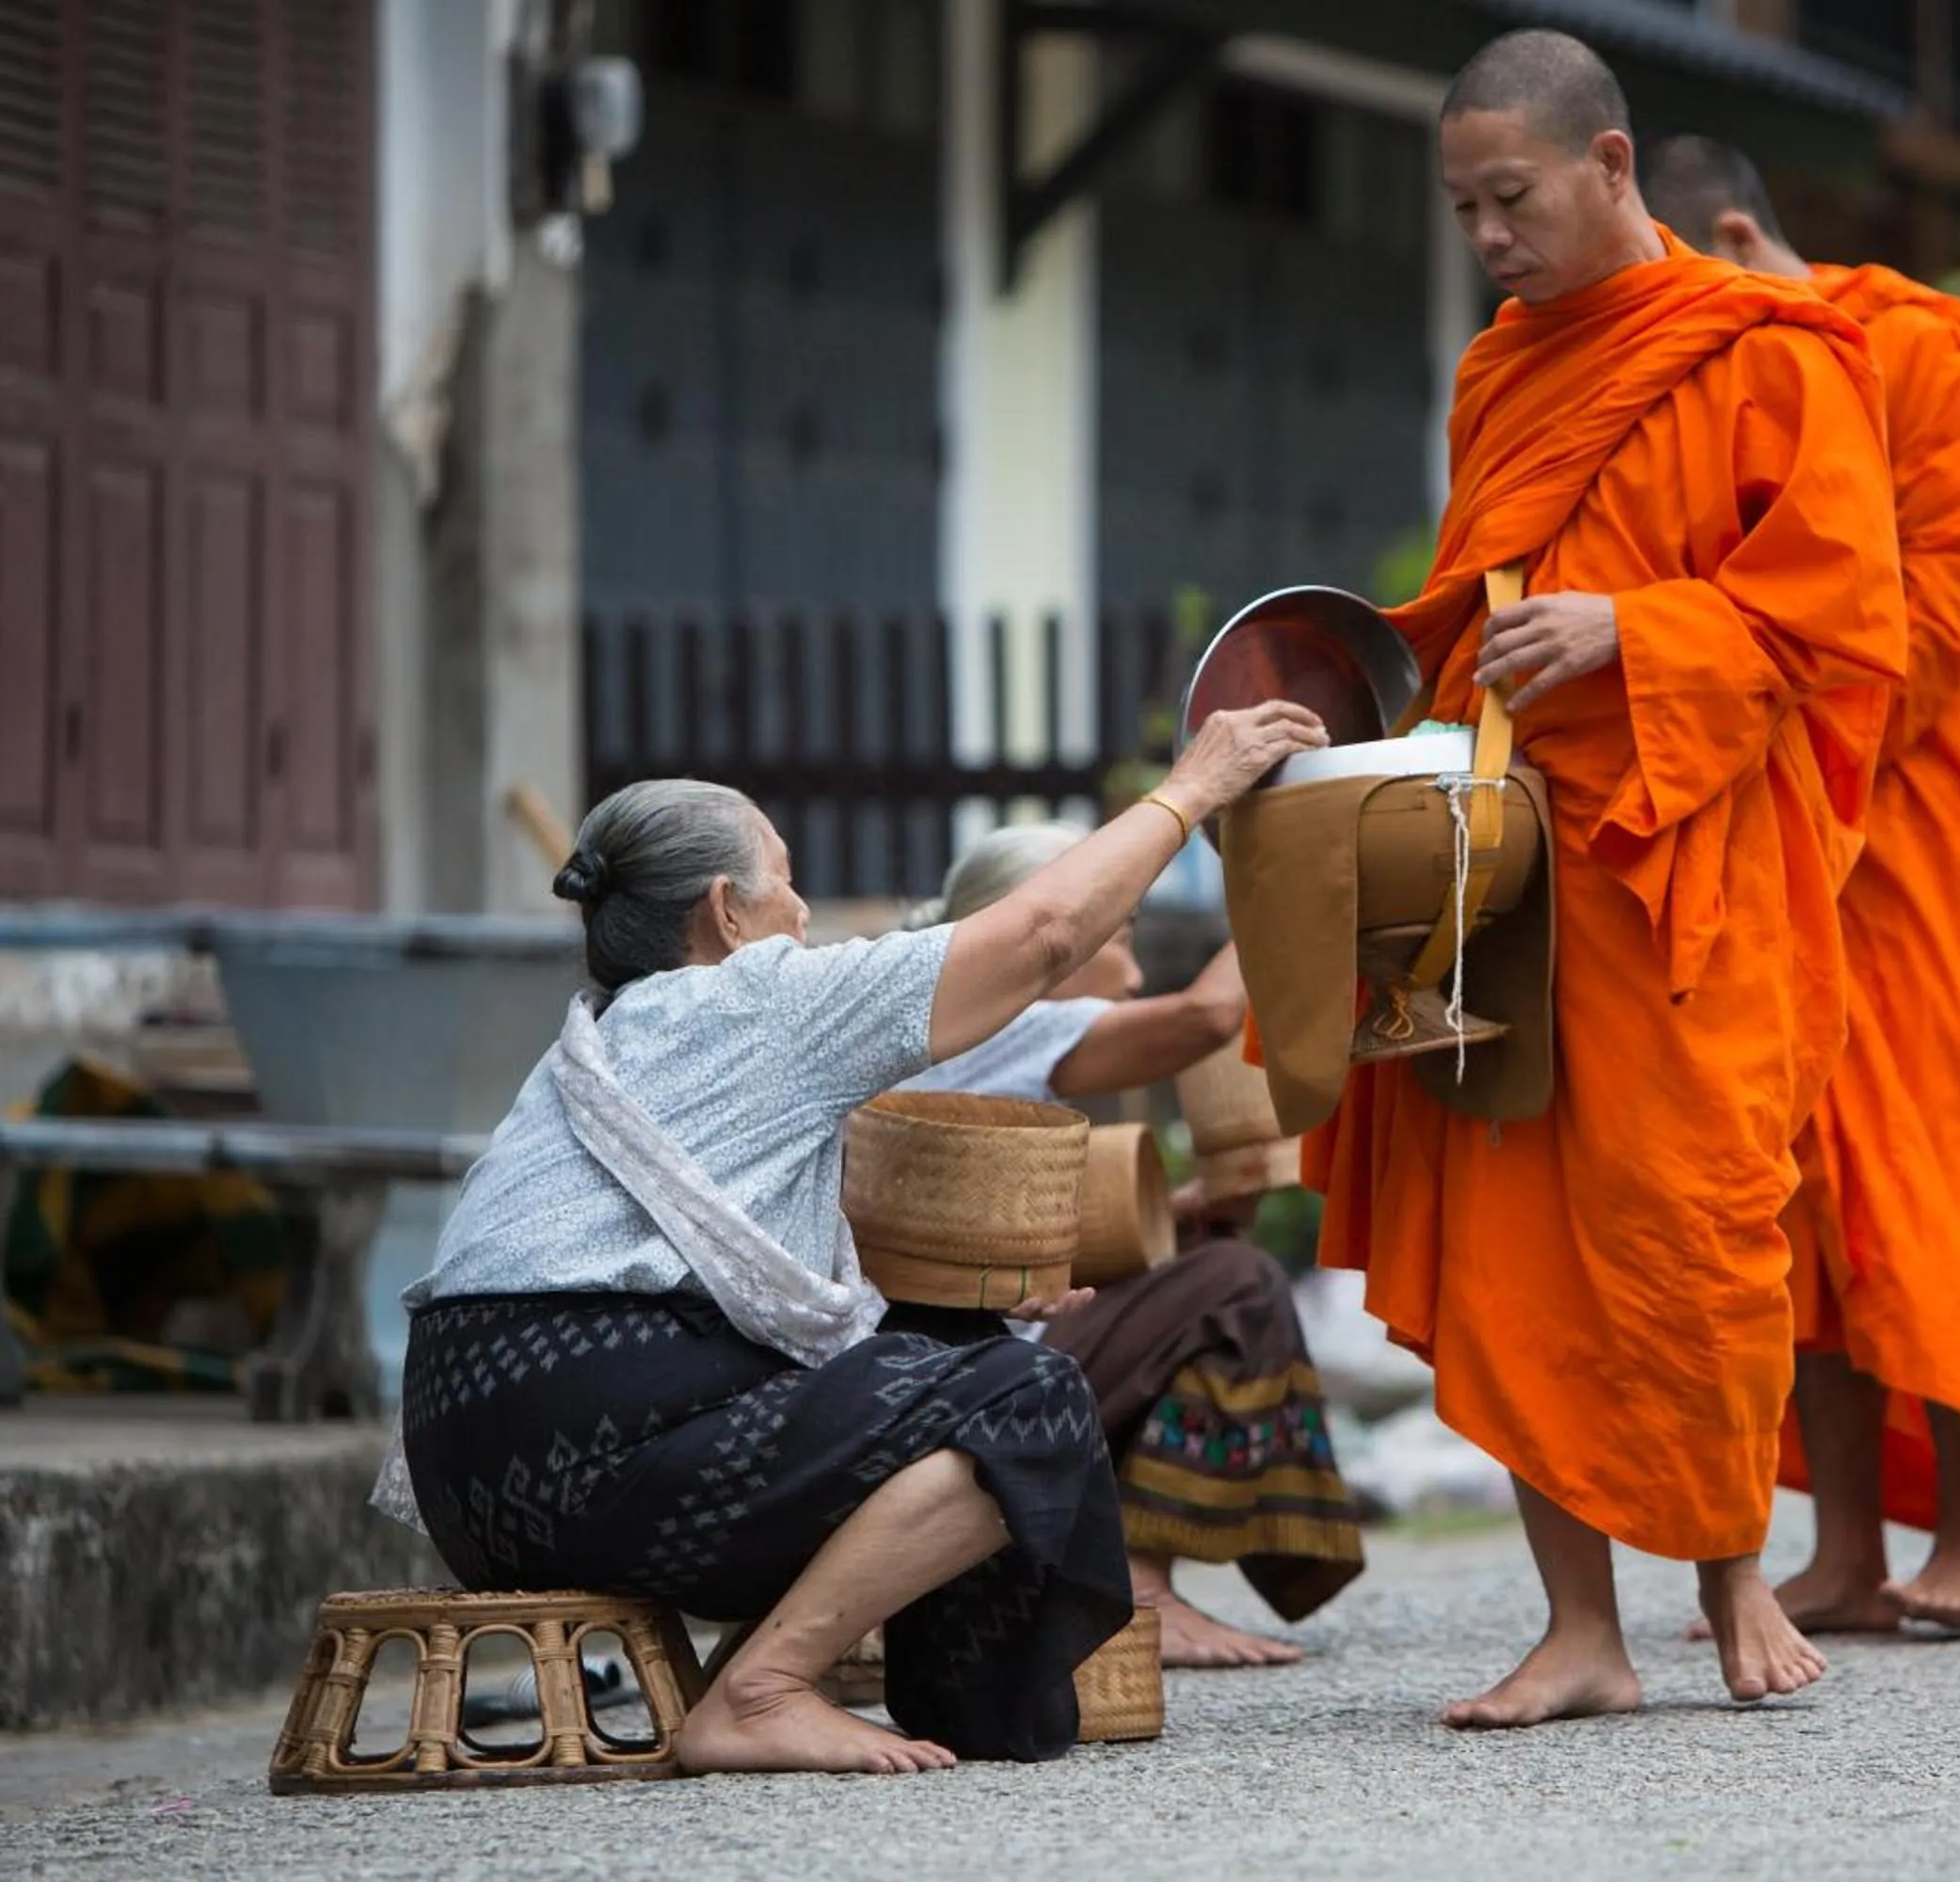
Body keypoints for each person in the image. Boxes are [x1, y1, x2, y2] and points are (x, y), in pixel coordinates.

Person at [1302, 29, 1907, 1727]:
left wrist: (1643, 628)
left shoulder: (1776, 356)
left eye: (1512, 198)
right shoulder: (1502, 371)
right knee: (1509, 1231)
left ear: (1613, 167)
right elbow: (1473, 604)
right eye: (1464, 209)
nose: (1489, 237)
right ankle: (1583, 1631)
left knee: (1697, 1220)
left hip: (1694, 857)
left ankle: (1732, 1586)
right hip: (1513, 849)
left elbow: (1845, 612)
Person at [379, 702, 1327, 1775]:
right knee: (1026, 1399)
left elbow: (753, 1278)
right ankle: (764, 1688)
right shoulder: (761, 1000)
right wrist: (1193, 787)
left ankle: (775, 1662)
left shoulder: (588, 1047)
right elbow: (1046, 932)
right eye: (784, 877)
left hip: (467, 1477)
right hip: (603, 1448)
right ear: (725, 910)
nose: (805, 905)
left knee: (954, 1356)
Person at [1641, 136, 1960, 1637]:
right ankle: (1849, 1546)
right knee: (1807, 1195)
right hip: (1791, 820)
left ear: (1737, 229)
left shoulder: (1918, 349)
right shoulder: (1721, 372)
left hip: (1935, 822)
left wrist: (1758, 696)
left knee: (1952, 1176)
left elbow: (1934, 607)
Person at [890, 823, 1365, 1667]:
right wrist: (1299, 879)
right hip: (971, 1380)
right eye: (1120, 931)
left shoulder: (924, 1014)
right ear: (1049, 925)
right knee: (1238, 1283)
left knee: (1202, 1268)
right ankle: (1142, 1589)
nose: (1134, 967)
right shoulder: (1008, 1014)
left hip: (935, 1364)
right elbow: (1209, 1016)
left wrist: (1169, 1222)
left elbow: (1004, 1240)